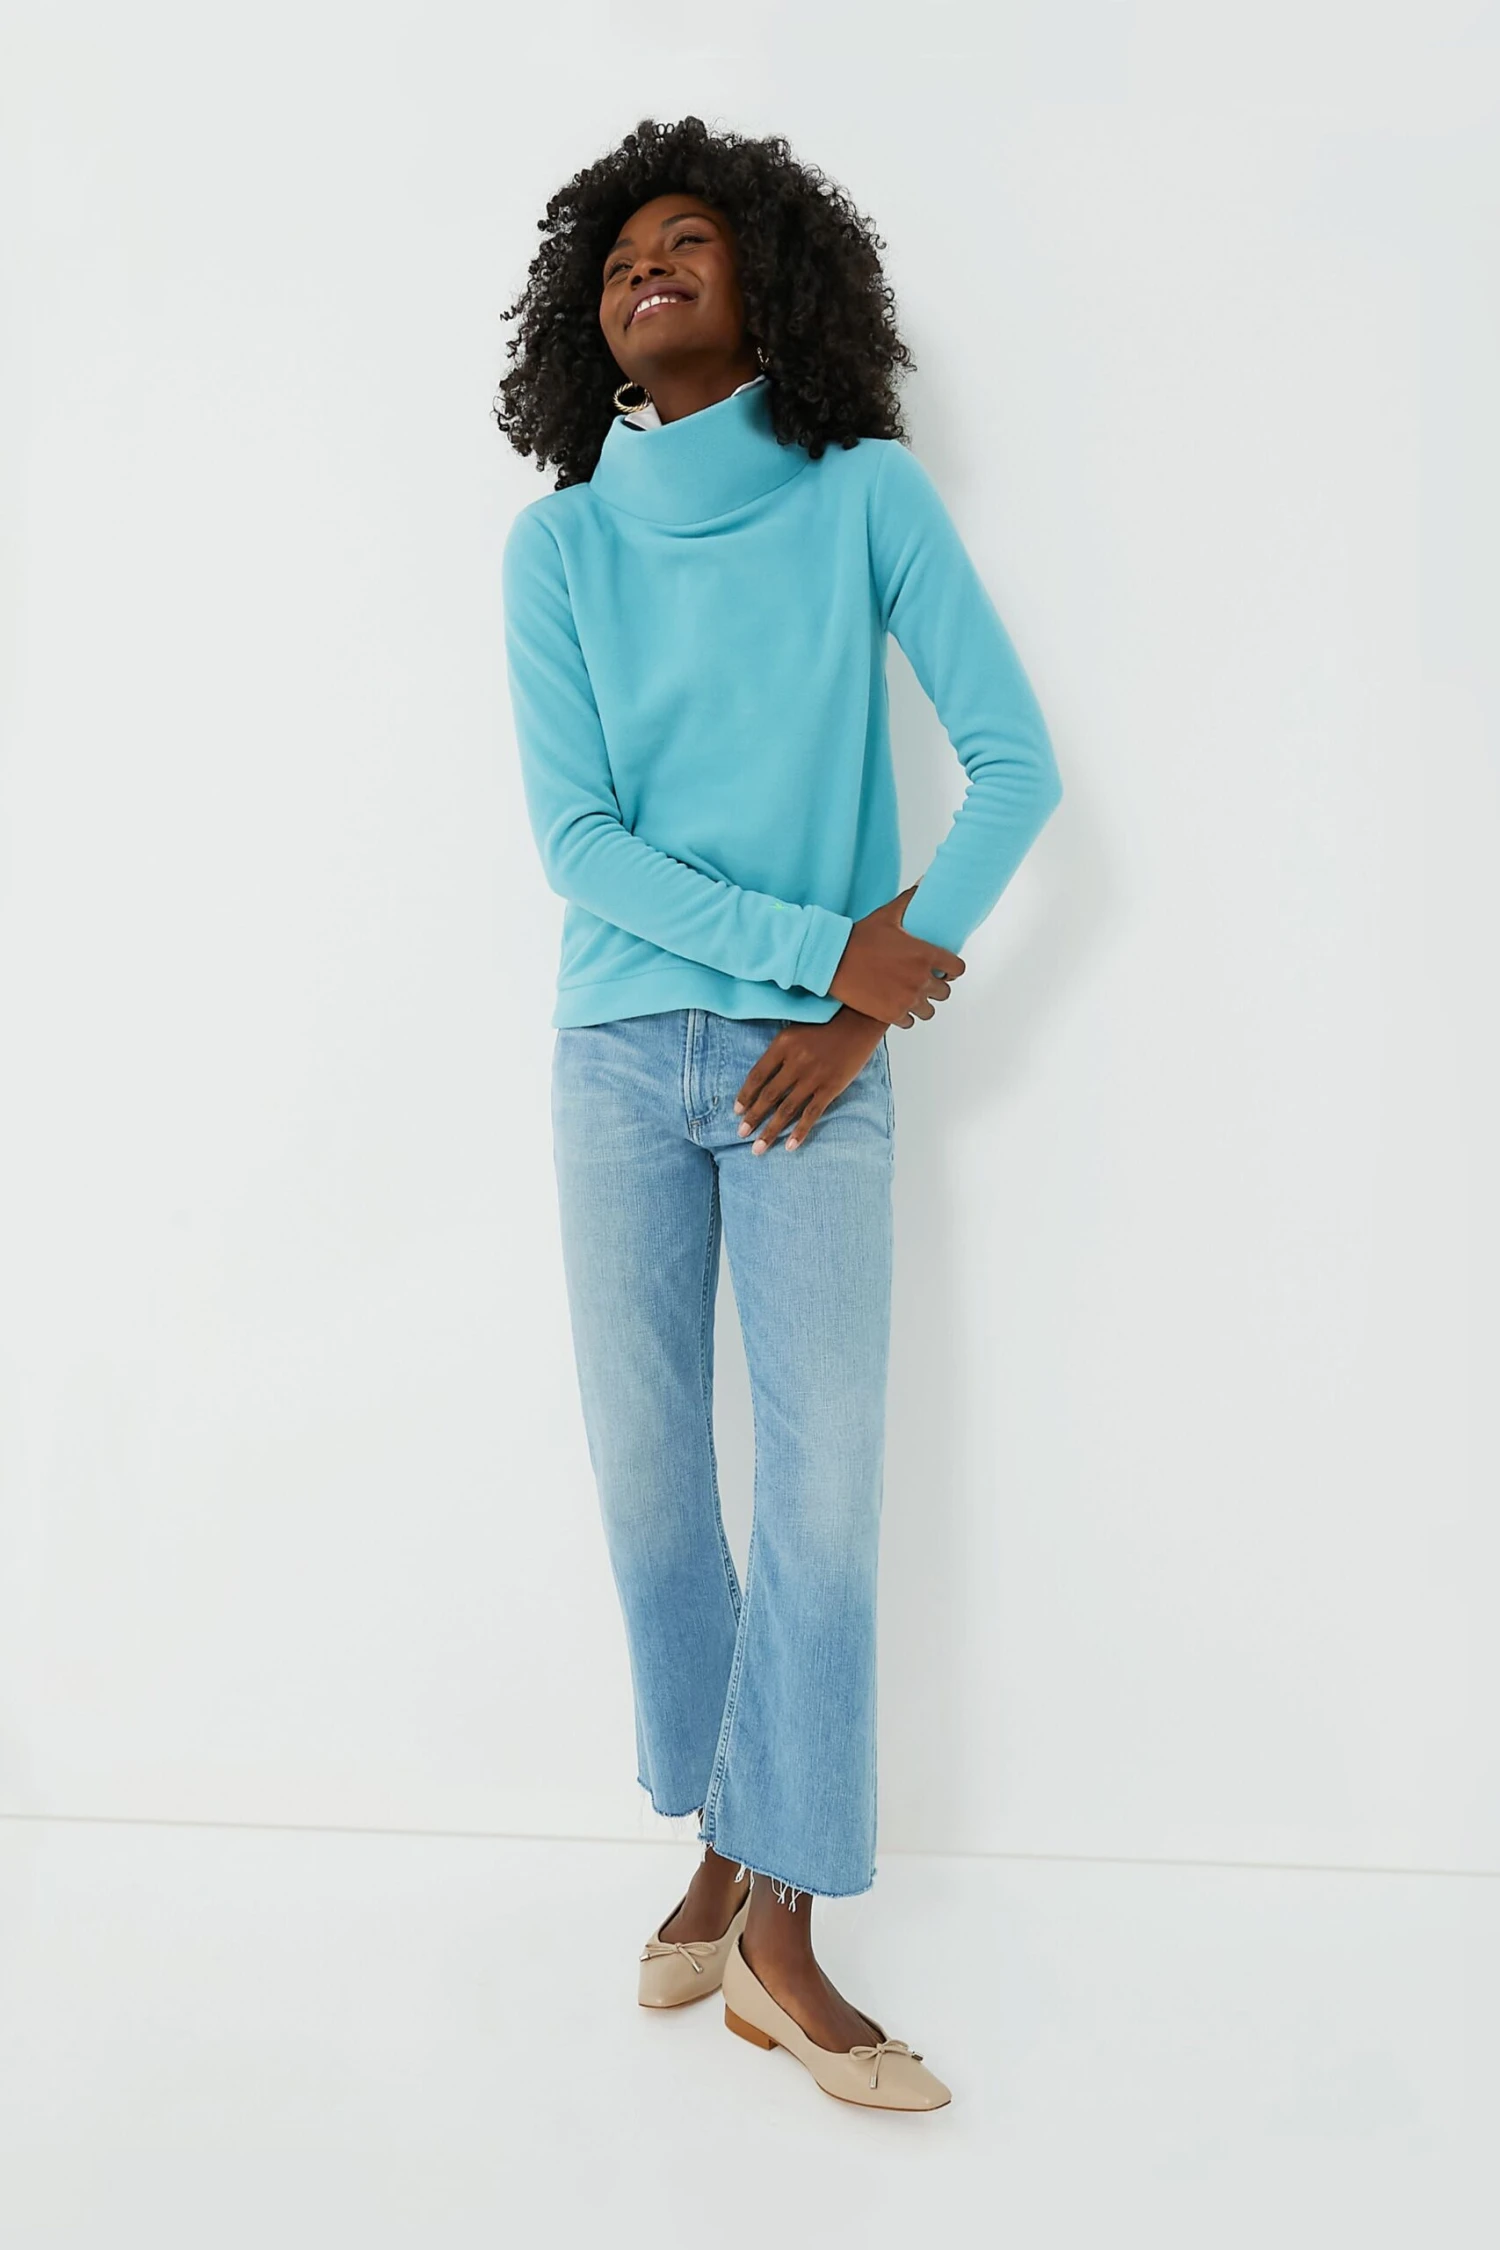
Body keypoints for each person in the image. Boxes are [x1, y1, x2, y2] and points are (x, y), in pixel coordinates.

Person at [494, 115, 1062, 2112]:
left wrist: (853, 1009)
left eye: (687, 239)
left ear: (771, 284)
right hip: (614, 1061)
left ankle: (787, 1927)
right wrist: (834, 954)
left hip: (809, 1081)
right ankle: (722, 1836)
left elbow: (1013, 768)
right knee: (653, 1486)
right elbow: (580, 845)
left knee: (818, 1502)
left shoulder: (863, 496)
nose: (644, 266)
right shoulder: (560, 548)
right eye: (616, 255)